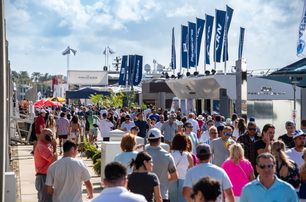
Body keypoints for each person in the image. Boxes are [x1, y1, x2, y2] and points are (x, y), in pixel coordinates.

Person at [145, 128, 178, 201]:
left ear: (148, 139)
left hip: (146, 196)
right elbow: (174, 176)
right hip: (162, 194)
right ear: (160, 139)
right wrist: (164, 180)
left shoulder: (142, 154)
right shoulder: (167, 155)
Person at [34, 128, 57, 202]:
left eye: (51, 136)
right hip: (43, 177)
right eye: (49, 136)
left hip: (44, 176)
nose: (50, 138)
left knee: (46, 199)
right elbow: (54, 161)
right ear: (42, 135)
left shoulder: (44, 145)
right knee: (46, 199)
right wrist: (54, 147)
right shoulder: (42, 147)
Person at [169, 134, 193, 202]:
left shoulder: (171, 154)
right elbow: (191, 170)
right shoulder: (188, 155)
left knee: (173, 200)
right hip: (184, 180)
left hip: (172, 179)